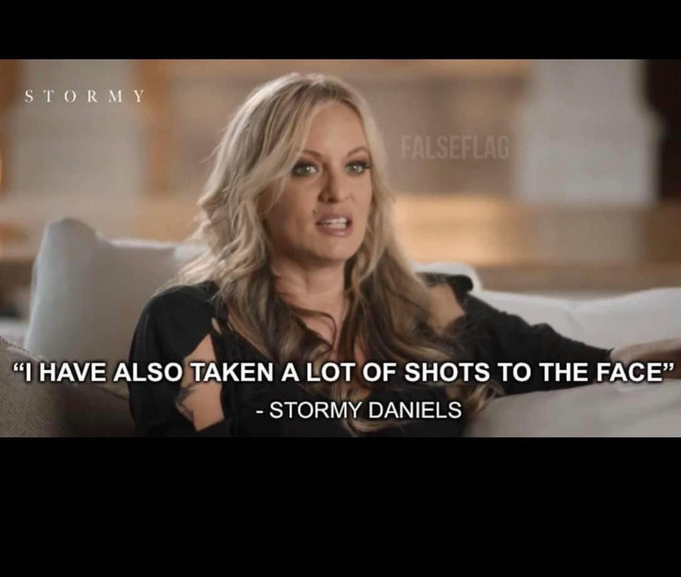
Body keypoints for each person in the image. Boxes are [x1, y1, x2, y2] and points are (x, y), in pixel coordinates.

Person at [127, 72, 681, 437]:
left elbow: (603, 365)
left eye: (356, 166)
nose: (337, 192)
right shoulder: (190, 322)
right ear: (256, 189)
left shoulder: (432, 308)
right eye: (304, 167)